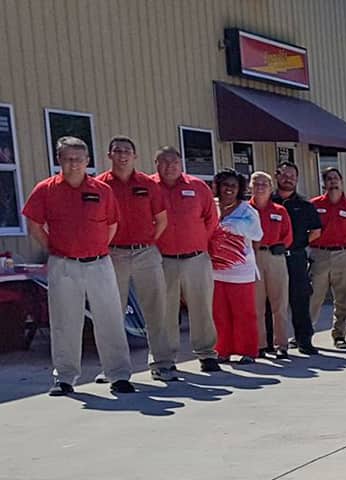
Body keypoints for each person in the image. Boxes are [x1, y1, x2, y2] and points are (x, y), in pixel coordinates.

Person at [22, 136, 134, 396]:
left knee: (110, 319)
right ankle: (65, 378)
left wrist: (92, 250)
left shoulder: (102, 190)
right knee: (64, 321)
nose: (74, 164)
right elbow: (35, 226)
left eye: (79, 159)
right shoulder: (45, 190)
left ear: (88, 161)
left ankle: (118, 375)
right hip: (63, 265)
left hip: (99, 264)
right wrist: (57, 249)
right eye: (68, 158)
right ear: (59, 160)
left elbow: (112, 226)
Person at [96, 136, 171, 381]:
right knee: (111, 312)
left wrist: (146, 242)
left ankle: (162, 363)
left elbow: (161, 220)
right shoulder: (100, 185)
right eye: (117, 151)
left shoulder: (148, 184)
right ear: (109, 155)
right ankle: (114, 369)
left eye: (127, 150)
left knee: (156, 309)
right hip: (113, 253)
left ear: (135, 155)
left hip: (146, 253)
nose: (122, 155)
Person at [153, 146, 220, 373]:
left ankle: (207, 354)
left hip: (196, 258)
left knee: (201, 306)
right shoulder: (149, 187)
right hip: (162, 260)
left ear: (181, 164)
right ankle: (164, 359)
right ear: (156, 164)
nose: (170, 167)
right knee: (164, 311)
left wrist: (197, 241)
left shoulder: (198, 187)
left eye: (174, 162)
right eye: (164, 162)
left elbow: (211, 220)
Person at [309, 167, 346, 349]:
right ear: (324, 183)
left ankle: (340, 334)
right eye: (329, 179)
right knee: (314, 296)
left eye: (335, 178)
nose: (333, 182)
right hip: (319, 254)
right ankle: (305, 334)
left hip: (344, 254)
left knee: (343, 298)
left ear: (341, 181)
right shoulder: (314, 205)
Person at [209, 169, 263, 364]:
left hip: (241, 271)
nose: (229, 189)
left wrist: (234, 227)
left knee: (244, 313)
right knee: (219, 314)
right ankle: (222, 350)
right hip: (214, 271)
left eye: (233, 185)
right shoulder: (210, 206)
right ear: (218, 186)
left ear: (240, 188)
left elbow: (257, 236)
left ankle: (248, 351)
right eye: (225, 185)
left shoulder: (248, 211)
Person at [272, 161, 321, 355]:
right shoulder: (268, 201)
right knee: (272, 302)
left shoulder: (305, 204)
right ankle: (271, 342)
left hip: (296, 257)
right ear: (277, 176)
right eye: (284, 175)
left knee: (299, 300)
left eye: (292, 176)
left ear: (297, 179)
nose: (288, 179)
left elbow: (316, 231)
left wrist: (298, 245)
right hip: (272, 258)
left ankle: (304, 341)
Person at [250, 171, 292, 359]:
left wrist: (280, 246)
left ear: (270, 187)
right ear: (250, 187)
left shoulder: (280, 211)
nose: (260, 187)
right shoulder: (244, 210)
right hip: (253, 258)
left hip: (275, 258)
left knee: (279, 304)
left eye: (264, 184)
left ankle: (281, 344)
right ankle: (259, 344)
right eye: (256, 184)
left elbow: (288, 236)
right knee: (256, 305)